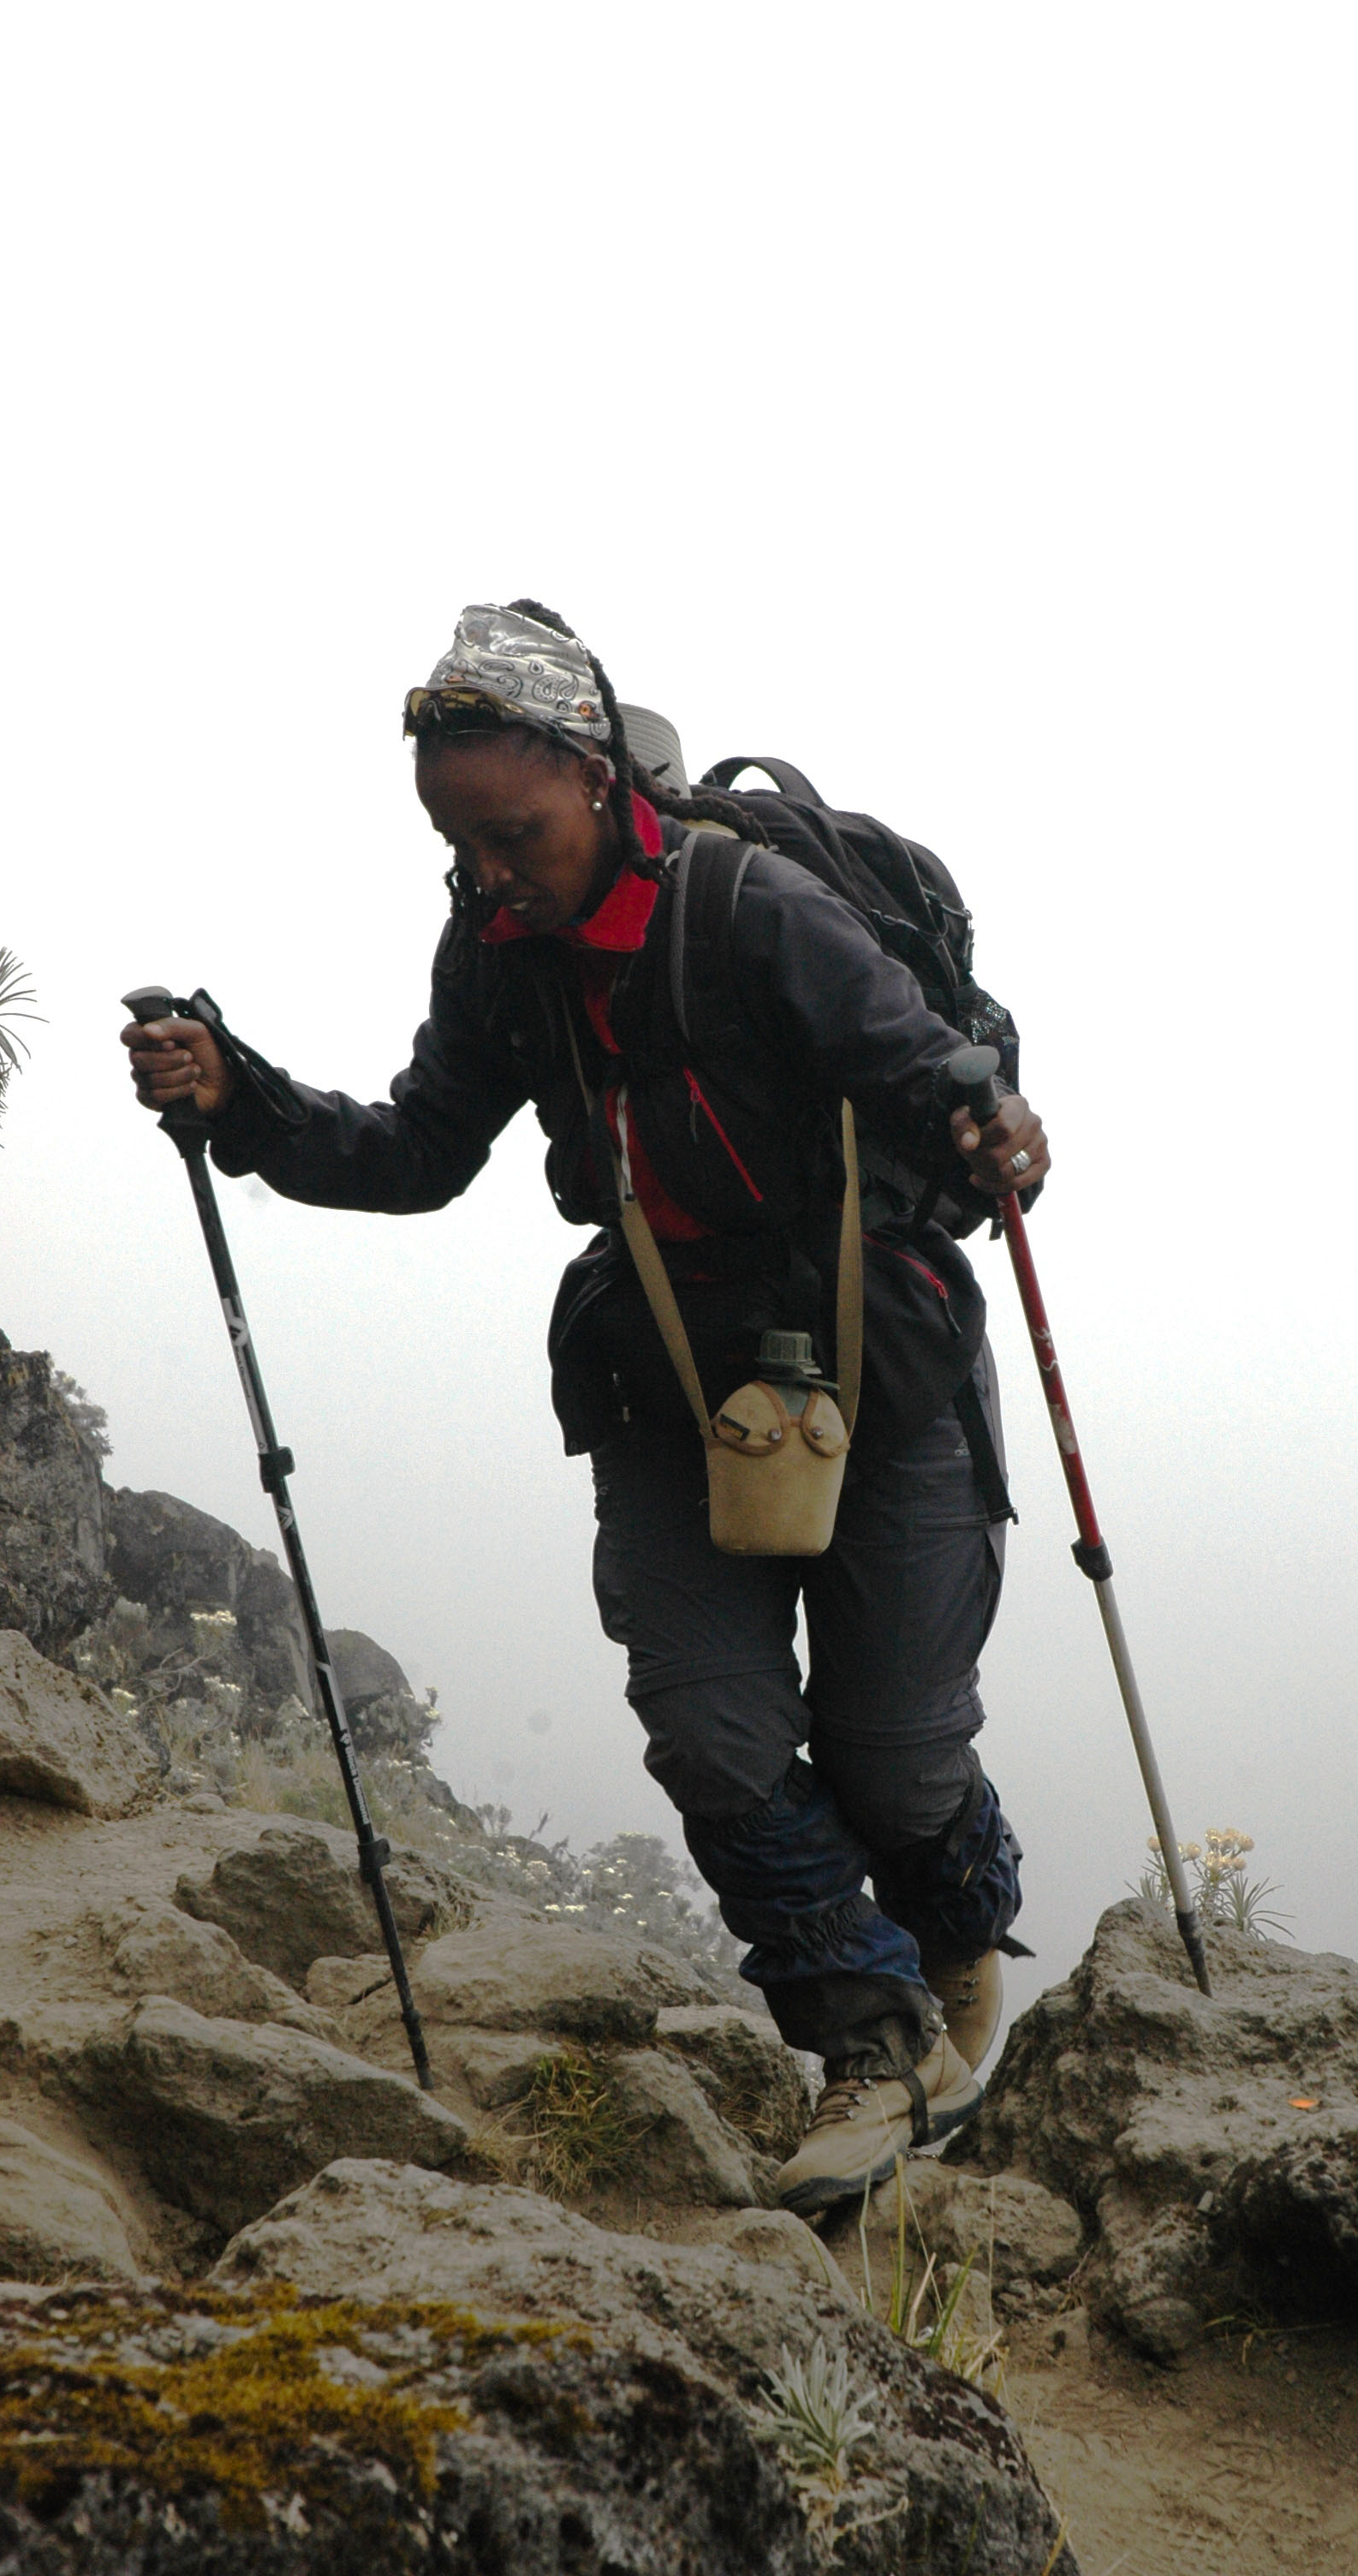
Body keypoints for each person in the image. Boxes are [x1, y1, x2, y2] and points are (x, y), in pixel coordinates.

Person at [122, 600, 1050, 2213]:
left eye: (513, 831)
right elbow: (418, 1153)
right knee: (714, 1726)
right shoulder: (496, 955)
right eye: (457, 842)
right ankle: (871, 2044)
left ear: (596, 771)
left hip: (876, 1358)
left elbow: (929, 1070)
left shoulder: (754, 907)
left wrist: (995, 1128)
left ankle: (955, 1937)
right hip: (656, 1367)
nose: (489, 871)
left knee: (900, 1757)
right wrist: (242, 1094)